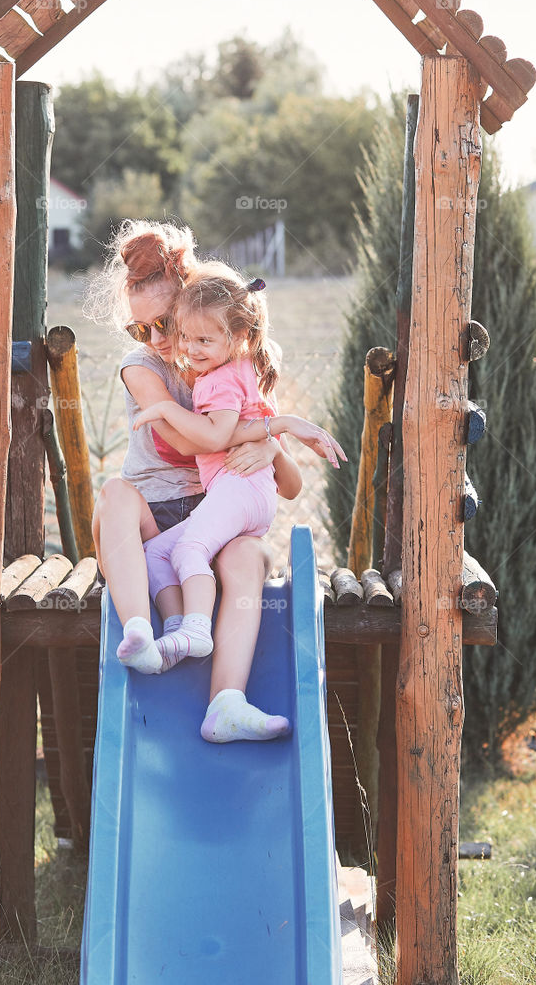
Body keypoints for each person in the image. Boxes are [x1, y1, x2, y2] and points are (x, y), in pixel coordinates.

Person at [88, 219, 345, 743]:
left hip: (212, 513)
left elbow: (290, 486)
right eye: (143, 329)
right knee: (113, 494)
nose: (158, 339)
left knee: (247, 556)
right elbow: (193, 442)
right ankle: (140, 629)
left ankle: (226, 701)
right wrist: (272, 428)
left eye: (166, 323)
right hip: (151, 512)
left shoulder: (231, 367)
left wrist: (271, 444)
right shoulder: (141, 368)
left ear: (193, 304)